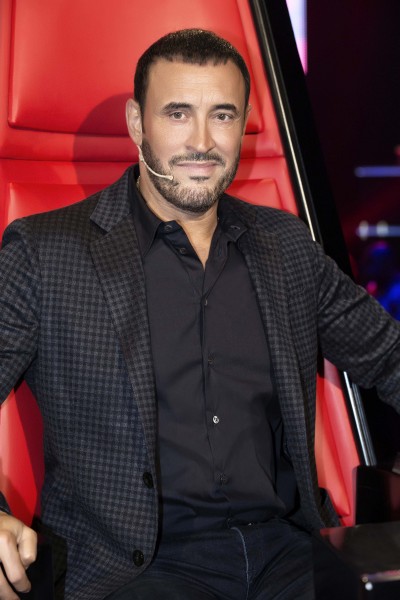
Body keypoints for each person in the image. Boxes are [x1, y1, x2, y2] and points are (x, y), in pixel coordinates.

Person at [0, 28, 399, 600]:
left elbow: (388, 356)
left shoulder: (286, 246)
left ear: (244, 124)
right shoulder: (46, 253)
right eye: (178, 113)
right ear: (137, 123)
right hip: (137, 571)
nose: (203, 142)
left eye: (222, 115)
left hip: (289, 553)